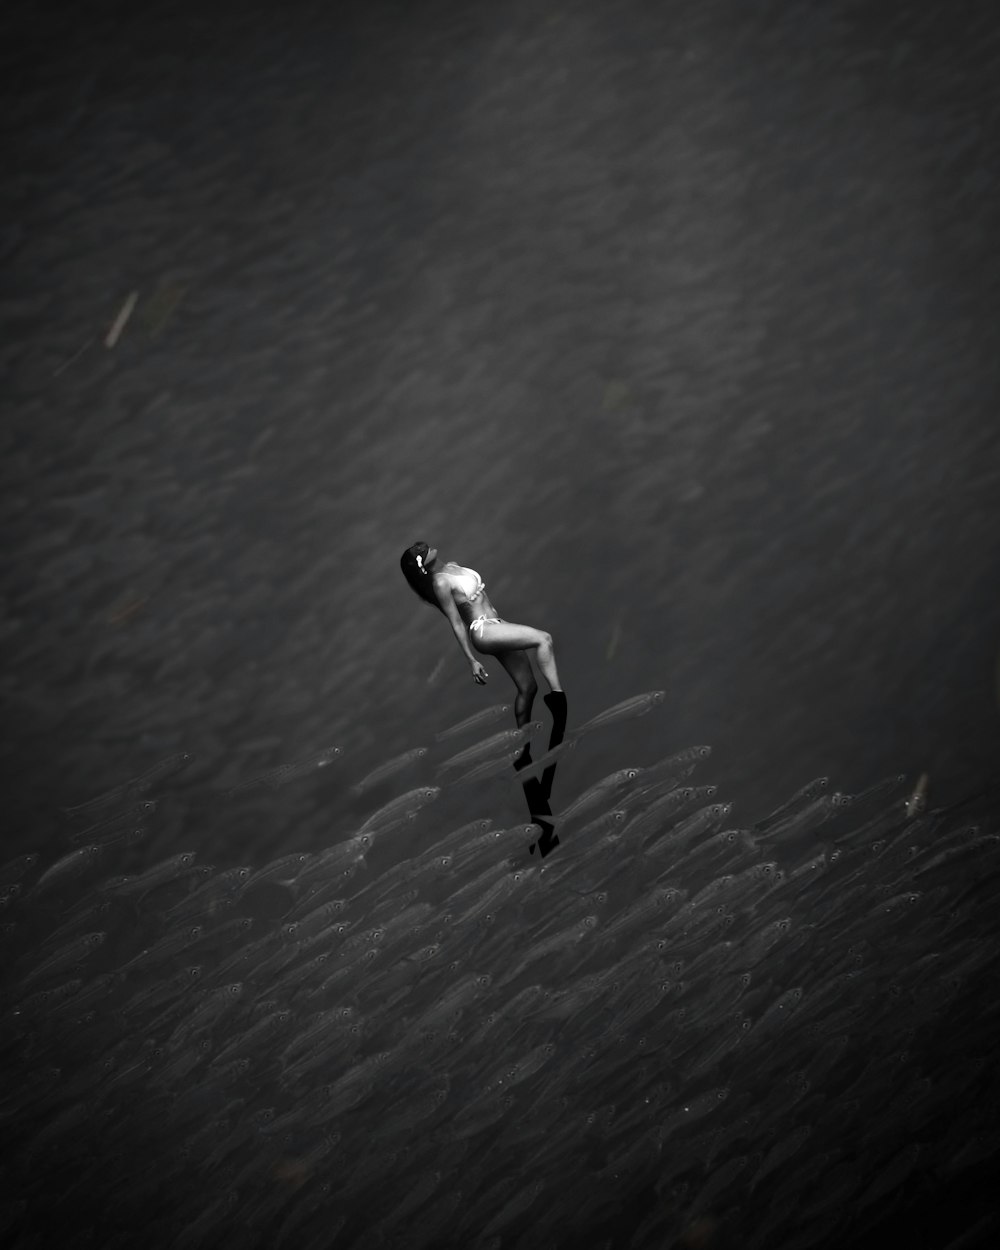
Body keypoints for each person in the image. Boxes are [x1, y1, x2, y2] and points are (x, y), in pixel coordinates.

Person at [400, 541, 568, 803]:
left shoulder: (453, 566)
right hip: (484, 631)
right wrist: (471, 660)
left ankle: (522, 749)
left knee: (528, 687)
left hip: (498, 624)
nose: (427, 546)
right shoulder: (440, 584)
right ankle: (559, 701)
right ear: (422, 563)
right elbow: (455, 622)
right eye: (422, 550)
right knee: (543, 639)